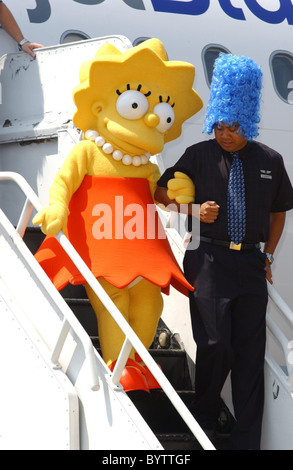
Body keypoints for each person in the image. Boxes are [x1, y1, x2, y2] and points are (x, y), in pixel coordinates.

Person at [154, 53, 293, 450]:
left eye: (233, 127)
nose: (224, 134)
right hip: (208, 260)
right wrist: (193, 210)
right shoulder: (198, 154)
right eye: (219, 125)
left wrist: (268, 254)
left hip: (250, 263)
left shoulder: (270, 160)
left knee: (251, 356)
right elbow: (161, 193)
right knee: (215, 344)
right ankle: (206, 412)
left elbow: (279, 211)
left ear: (246, 121)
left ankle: (247, 442)